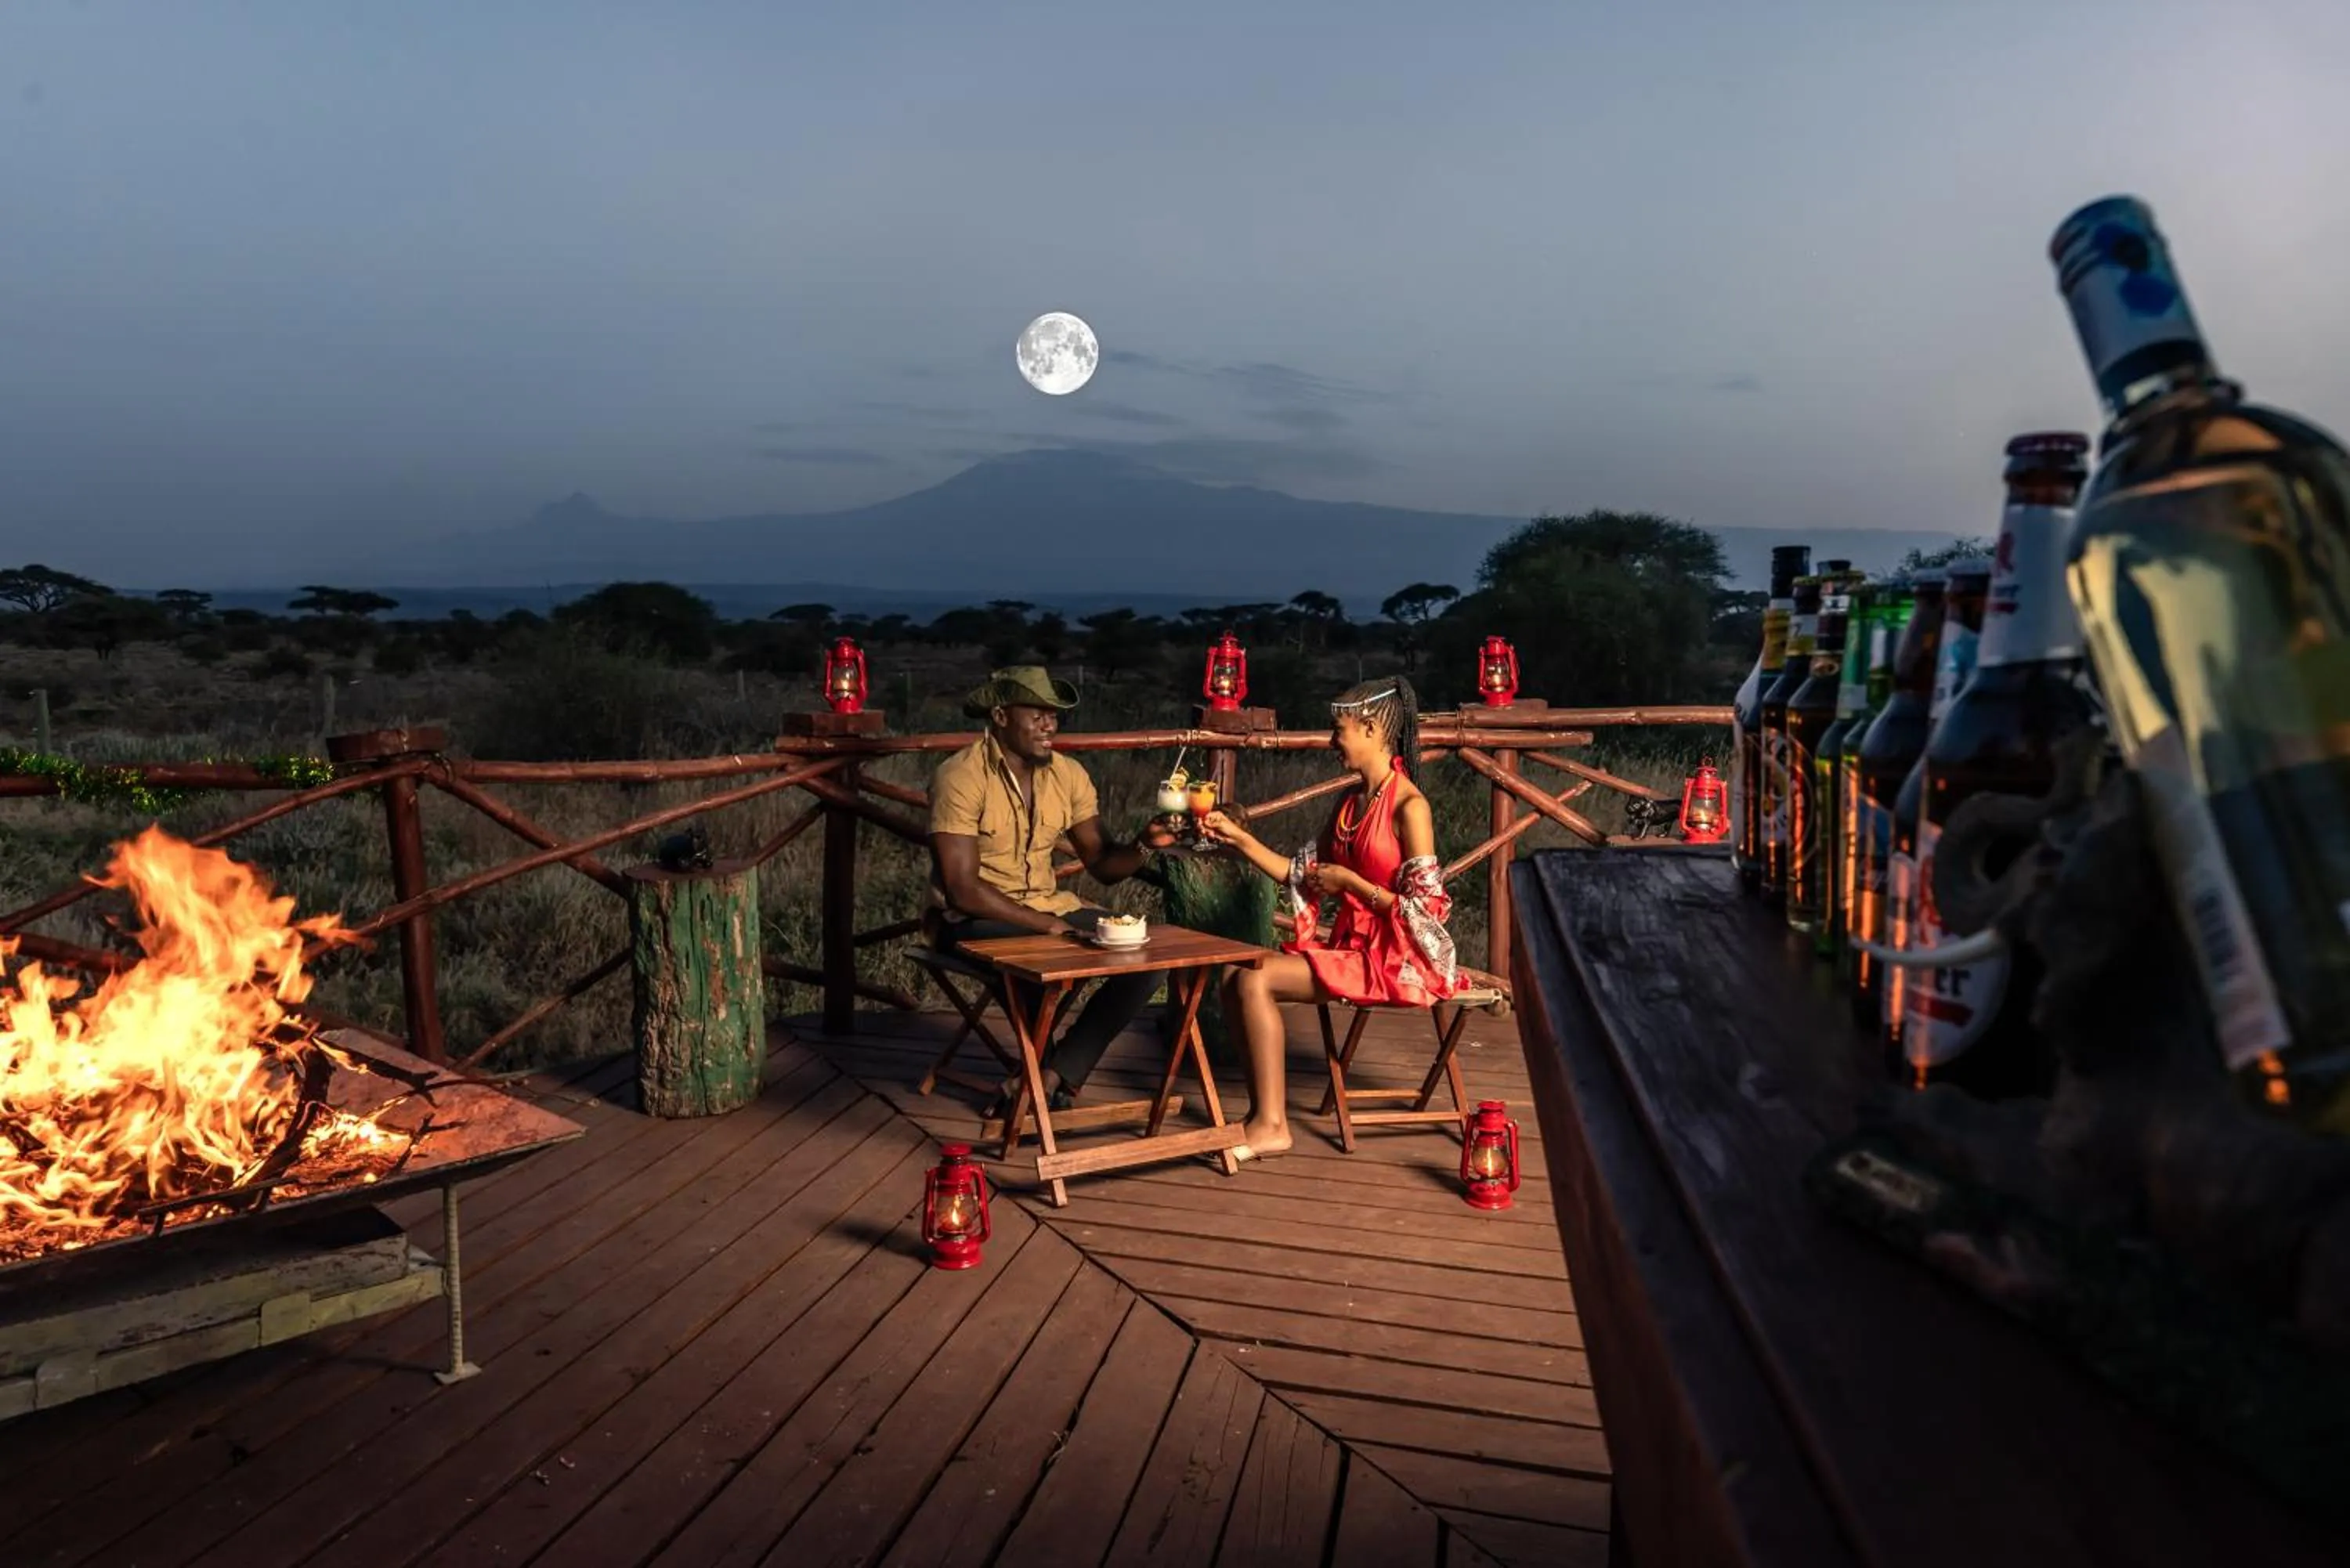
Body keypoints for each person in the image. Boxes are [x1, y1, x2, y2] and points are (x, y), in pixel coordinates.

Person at [1201, 675, 1460, 1162]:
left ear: (1371, 730)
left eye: (1338, 730)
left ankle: (1272, 1126)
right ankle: (1261, 1116)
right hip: (1352, 950)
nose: (1330, 740)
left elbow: (1427, 912)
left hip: (1394, 959)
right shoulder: (1349, 804)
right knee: (1234, 974)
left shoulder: (1410, 807)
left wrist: (1353, 885)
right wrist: (1238, 838)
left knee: (1254, 980)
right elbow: (1297, 873)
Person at [927, 665, 1180, 1115]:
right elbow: (962, 889)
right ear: (1001, 716)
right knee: (1040, 960)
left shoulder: (1067, 774)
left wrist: (1145, 842)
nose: (1050, 725)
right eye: (1038, 714)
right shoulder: (960, 776)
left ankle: (1051, 1074)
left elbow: (1103, 865)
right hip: (969, 919)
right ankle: (1043, 1078)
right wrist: (1048, 926)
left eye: (1054, 715)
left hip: (1048, 910)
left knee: (1146, 958)